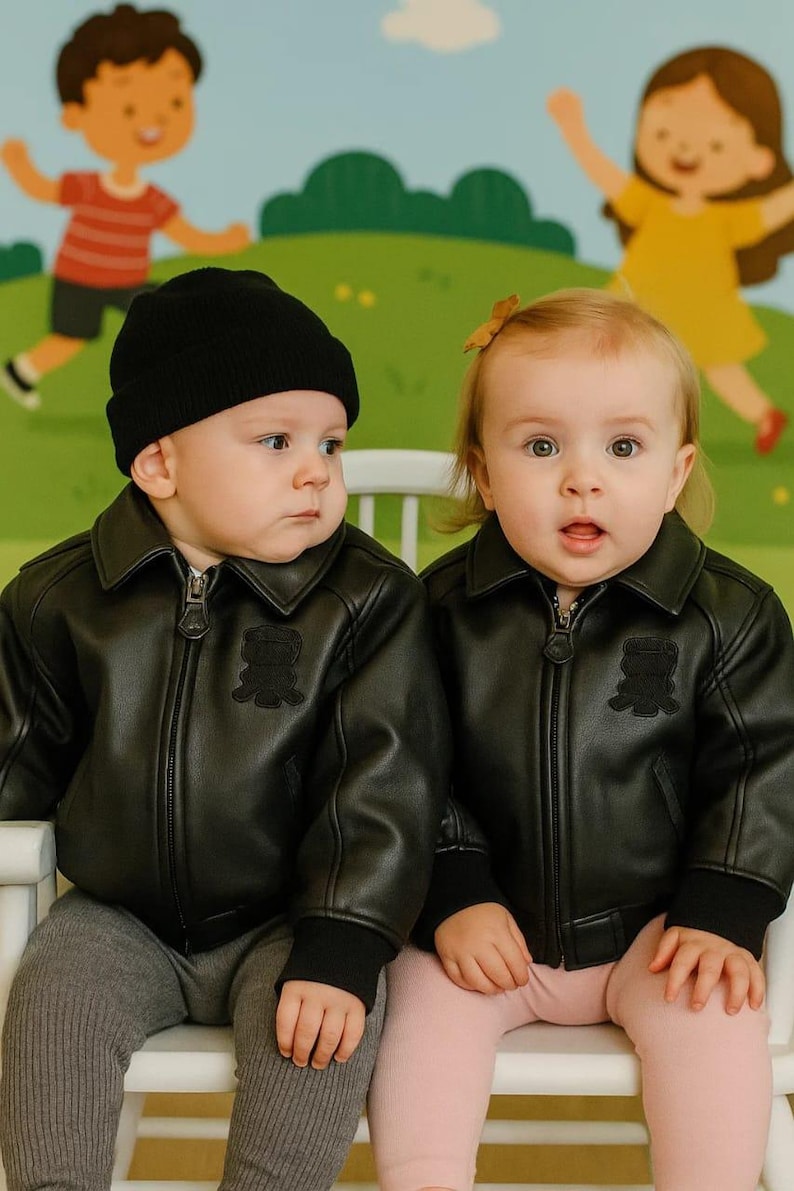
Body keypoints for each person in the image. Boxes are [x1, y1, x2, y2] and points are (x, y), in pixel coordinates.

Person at [0, 266, 449, 1191]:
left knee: (320, 1029)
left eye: (331, 442)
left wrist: (343, 943)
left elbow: (384, 783)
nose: (316, 470)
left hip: (290, 916)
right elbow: (17, 757)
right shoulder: (60, 600)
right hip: (118, 913)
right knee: (53, 999)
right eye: (276, 439)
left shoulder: (367, 601)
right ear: (158, 462)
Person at [366, 288, 794, 1191]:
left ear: (676, 474)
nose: (582, 478)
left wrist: (722, 905)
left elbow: (762, 765)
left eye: (623, 447)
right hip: (488, 929)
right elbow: (401, 763)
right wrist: (453, 890)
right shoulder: (437, 611)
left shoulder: (729, 615)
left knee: (711, 1017)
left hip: (657, 925)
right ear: (484, 475)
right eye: (542, 446)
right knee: (417, 1018)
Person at [0, 4, 250, 410]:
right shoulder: (87, 186)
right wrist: (17, 164)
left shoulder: (153, 199)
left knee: (168, 316)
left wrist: (225, 241)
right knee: (69, 338)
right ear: (75, 115)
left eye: (174, 104)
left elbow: (185, 234)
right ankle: (21, 370)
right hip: (80, 277)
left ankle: (184, 392)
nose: (153, 121)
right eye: (130, 108)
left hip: (127, 279)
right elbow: (43, 189)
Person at [547, 46, 794, 454]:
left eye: (716, 146)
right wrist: (573, 128)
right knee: (617, 367)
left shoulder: (729, 218)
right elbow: (602, 172)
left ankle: (764, 416)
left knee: (722, 370)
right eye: (663, 134)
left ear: (759, 160)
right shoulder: (648, 202)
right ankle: (608, 429)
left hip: (705, 309)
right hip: (642, 303)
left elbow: (778, 207)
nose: (685, 152)